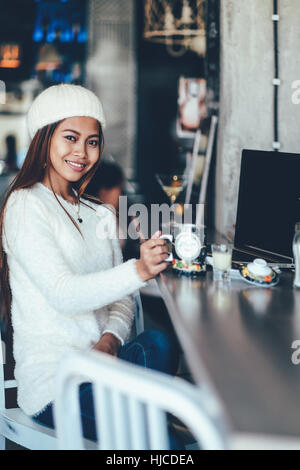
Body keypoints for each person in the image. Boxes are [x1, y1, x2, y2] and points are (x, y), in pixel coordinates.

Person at [0, 84, 182, 448]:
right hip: (58, 384)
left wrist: (110, 340)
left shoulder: (98, 211)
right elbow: (63, 294)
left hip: (105, 368)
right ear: (43, 138)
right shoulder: (25, 205)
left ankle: (149, 419)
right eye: (71, 137)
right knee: (156, 435)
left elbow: (123, 300)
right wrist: (140, 270)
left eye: (93, 141)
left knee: (159, 343)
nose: (82, 152)